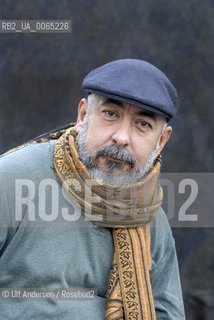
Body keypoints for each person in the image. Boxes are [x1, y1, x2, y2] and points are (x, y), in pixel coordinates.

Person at [0, 59, 185, 319]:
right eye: (111, 114)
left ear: (161, 140)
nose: (122, 137)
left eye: (143, 124)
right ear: (83, 115)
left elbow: (167, 313)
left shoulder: (151, 217)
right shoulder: (10, 180)